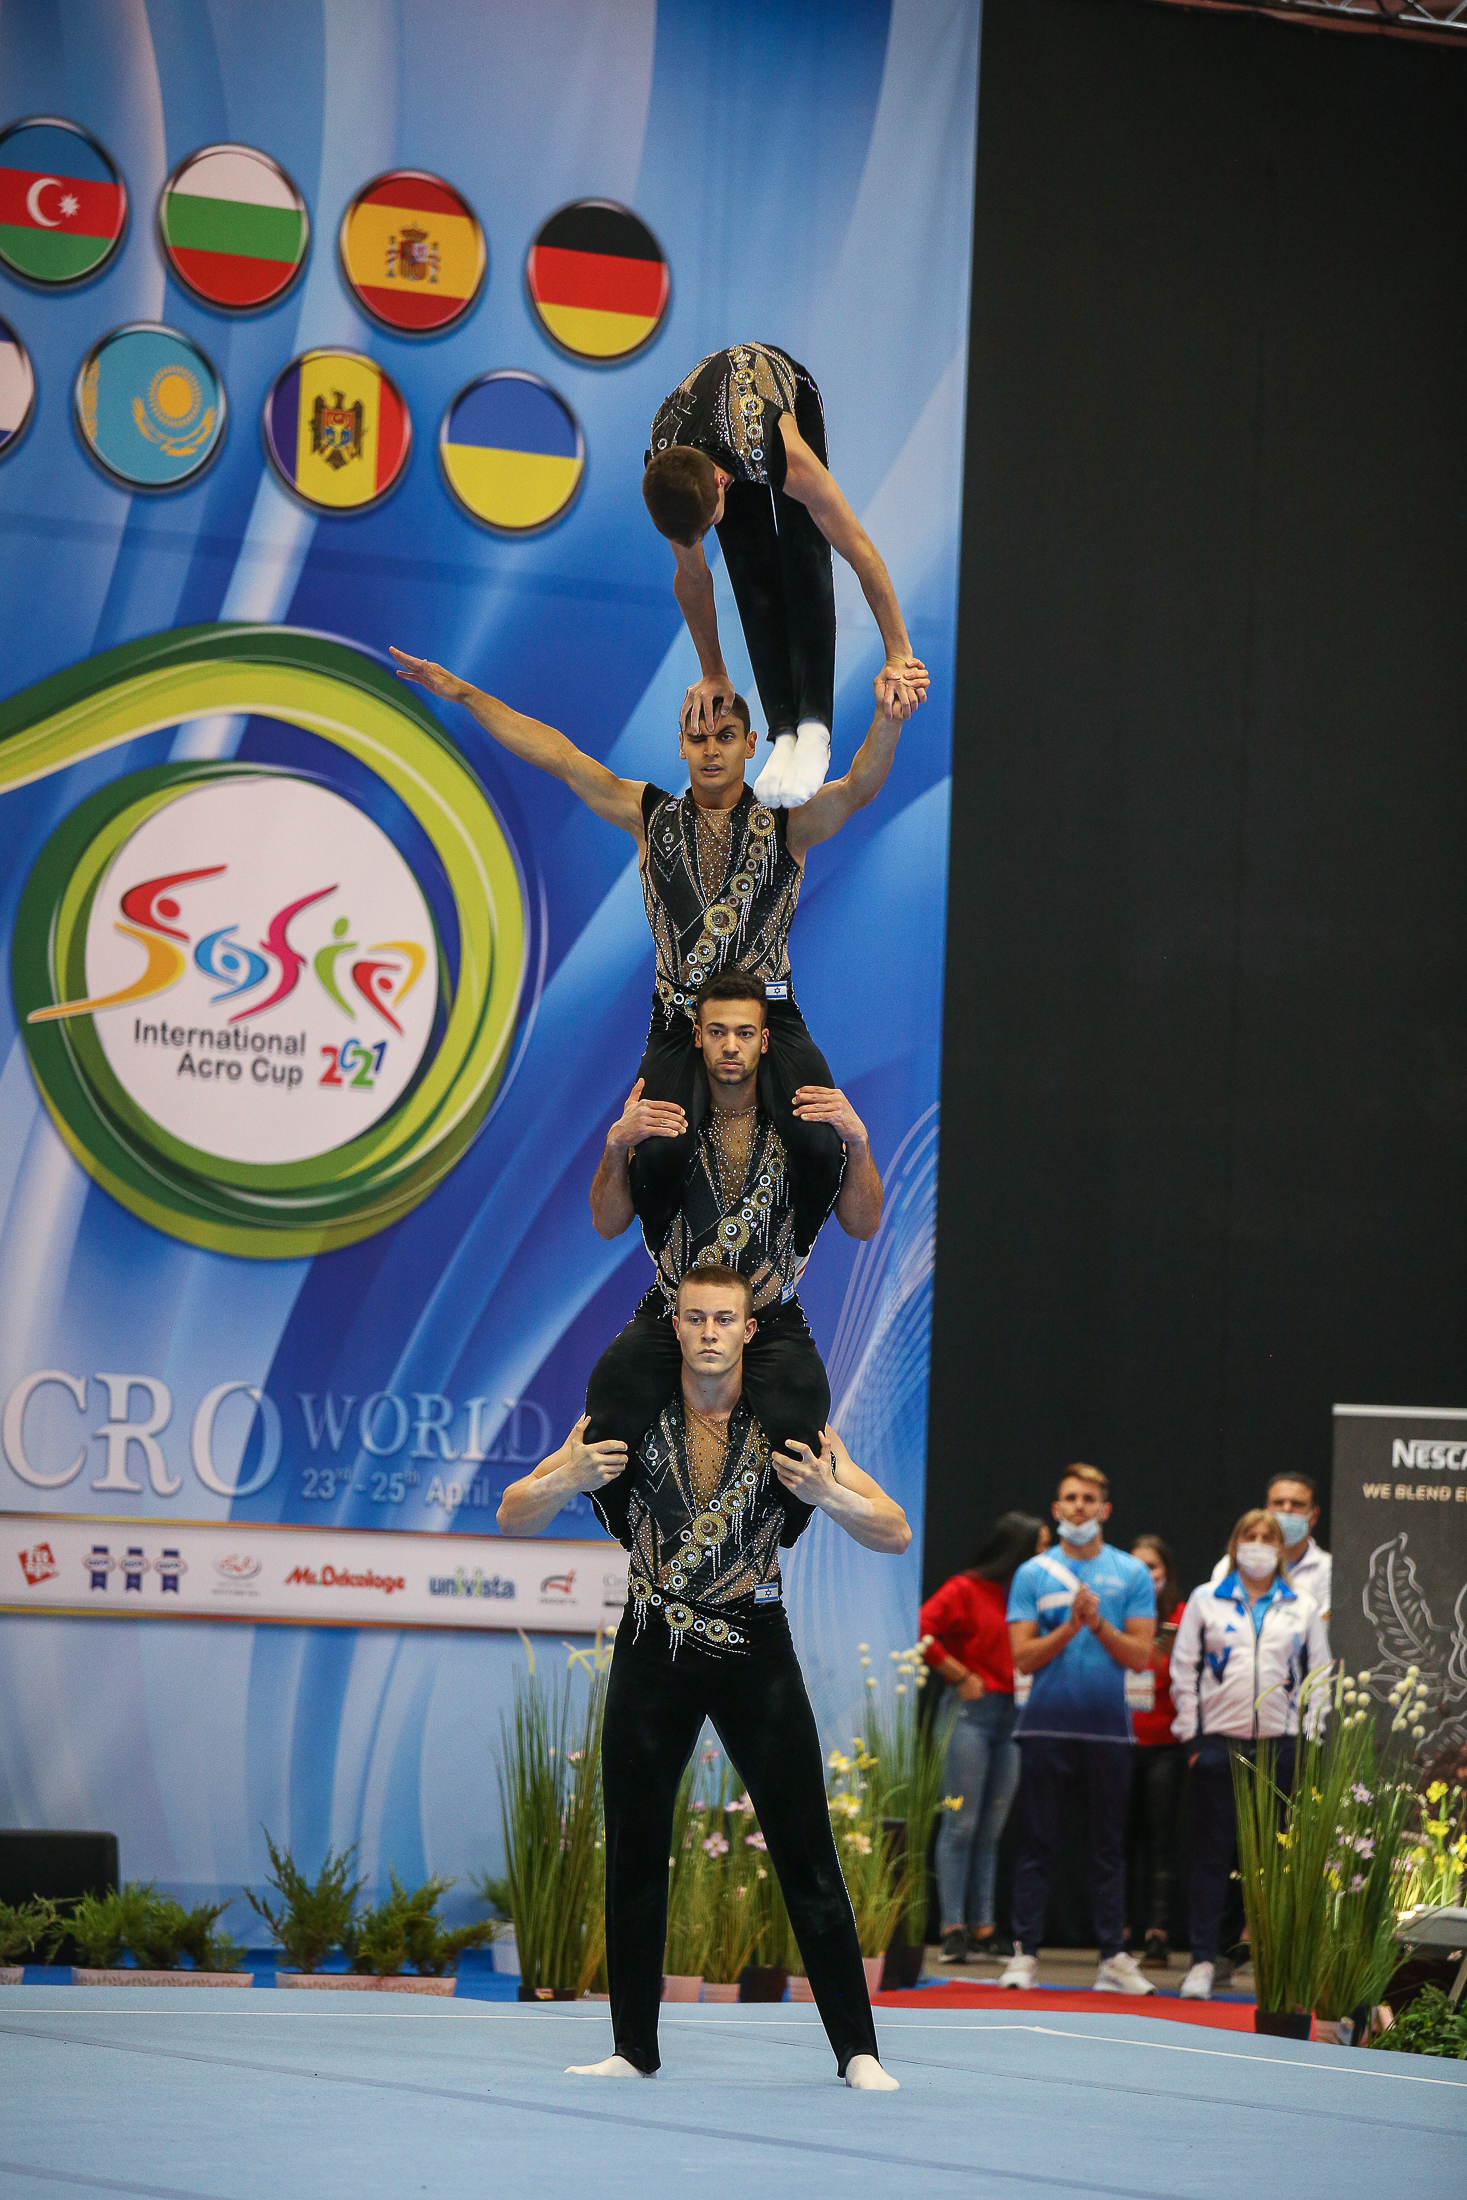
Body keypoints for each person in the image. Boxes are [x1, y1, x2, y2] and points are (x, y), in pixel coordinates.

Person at [497, 1264, 911, 2089]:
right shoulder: (626, 1419)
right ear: (675, 1326)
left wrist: (830, 1494)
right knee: (635, 1851)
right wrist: (563, 1478)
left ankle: (857, 2051)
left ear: (750, 1330)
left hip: (756, 1649)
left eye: (724, 1318)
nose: (710, 1332)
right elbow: (513, 1512)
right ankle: (632, 2048)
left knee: (806, 1851)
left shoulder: (791, 1429)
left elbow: (893, 1530)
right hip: (653, 1646)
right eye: (695, 1318)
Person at [389, 646, 907, 1258]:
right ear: (680, 746)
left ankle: (776, 1272)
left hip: (770, 1019)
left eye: (725, 736)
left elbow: (857, 787)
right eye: (698, 738)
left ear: (751, 744)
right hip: (680, 1023)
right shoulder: (647, 815)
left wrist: (888, 717)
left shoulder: (787, 824)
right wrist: (468, 695)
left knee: (820, 1146)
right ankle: (680, 1279)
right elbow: (559, 756)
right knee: (657, 1156)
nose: (711, 750)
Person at [585, 972, 881, 1462]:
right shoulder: (666, 1128)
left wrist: (859, 1142)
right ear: (697, 1036)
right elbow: (606, 1224)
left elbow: (865, 1226)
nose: (730, 1046)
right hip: (677, 1314)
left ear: (764, 1041)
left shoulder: (800, 1134)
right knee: (607, 1418)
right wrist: (616, 1145)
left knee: (802, 1440)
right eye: (717, 1031)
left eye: (744, 1033)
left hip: (769, 1317)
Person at [642, 341, 928, 806]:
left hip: (775, 402)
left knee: (803, 549)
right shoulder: (664, 467)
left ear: (719, 481)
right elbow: (692, 579)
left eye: (708, 522)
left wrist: (898, 652)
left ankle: (814, 726)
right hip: (717, 436)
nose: (705, 533)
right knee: (747, 567)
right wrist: (713, 672)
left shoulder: (776, 446)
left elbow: (857, 547)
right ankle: (784, 730)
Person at [998, 1465, 1158, 1995]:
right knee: (1036, 1844)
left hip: (1109, 1733)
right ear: (1057, 1508)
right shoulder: (1033, 1574)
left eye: (1089, 1498)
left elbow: (1140, 1657)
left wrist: (1098, 1624)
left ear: (1104, 1509)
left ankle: (1113, 1957)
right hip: (1044, 1728)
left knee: (1108, 1849)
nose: (1080, 1506)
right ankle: (1024, 1954)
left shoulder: (1132, 1573)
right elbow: (1023, 1657)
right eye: (1071, 1498)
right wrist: (1070, 1626)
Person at [1171, 1508, 1332, 2002]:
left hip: (1281, 1747)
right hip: (1220, 1745)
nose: (1258, 1543)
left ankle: (1273, 1964)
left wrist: (1308, 1739)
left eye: (1268, 1537)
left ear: (1280, 1549)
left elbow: (1319, 1676)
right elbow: (1184, 1669)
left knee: (1275, 1860)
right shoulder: (1206, 1599)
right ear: (1234, 1543)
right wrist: (1192, 1741)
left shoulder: (1301, 1606)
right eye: (1250, 1535)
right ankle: (1202, 1961)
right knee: (1212, 1857)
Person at [920, 1512, 1050, 1963]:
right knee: (961, 1823)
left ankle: (983, 1926)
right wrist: (959, 1674)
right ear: (1019, 1548)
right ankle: (952, 1927)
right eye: (1040, 1545)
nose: (1047, 1554)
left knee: (991, 1828)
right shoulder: (966, 1588)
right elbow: (921, 1628)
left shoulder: (1031, 1596)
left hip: (1015, 1715)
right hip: (970, 1715)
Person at [1127, 1535, 1187, 1970]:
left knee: (1162, 1842)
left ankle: (1157, 1933)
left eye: (1153, 1567)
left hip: (1165, 1742)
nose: (1145, 1575)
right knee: (1118, 1841)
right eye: (1137, 1566)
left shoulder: (1181, 1616)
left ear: (1166, 1572)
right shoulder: (1115, 1611)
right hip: (1120, 1741)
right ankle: (1117, 1934)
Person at [1209, 1474, 1331, 1620]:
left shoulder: (1329, 1568)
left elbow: (1324, 1626)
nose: (1287, 1509)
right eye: (1278, 1503)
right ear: (1266, 1511)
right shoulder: (1228, 1565)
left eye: (1297, 1504)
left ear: (1314, 1515)